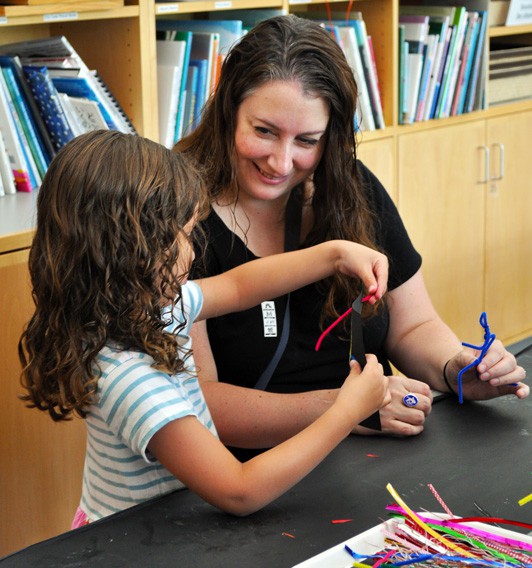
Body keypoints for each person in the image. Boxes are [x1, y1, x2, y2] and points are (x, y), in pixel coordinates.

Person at [176, 14, 528, 450]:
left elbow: (412, 324)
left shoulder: (351, 188)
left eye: (307, 141)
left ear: (332, 138)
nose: (281, 163)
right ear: (228, 111)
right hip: (252, 474)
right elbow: (196, 405)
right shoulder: (176, 221)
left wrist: (457, 368)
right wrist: (345, 409)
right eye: (264, 132)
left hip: (372, 452)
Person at [18, 129, 391, 525]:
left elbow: (238, 285)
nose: (193, 249)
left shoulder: (154, 307)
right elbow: (239, 490)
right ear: (135, 250)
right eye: (182, 235)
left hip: (176, 526)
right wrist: (346, 411)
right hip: (131, 550)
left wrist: (334, 255)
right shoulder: (128, 377)